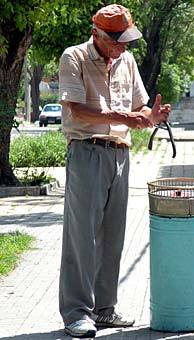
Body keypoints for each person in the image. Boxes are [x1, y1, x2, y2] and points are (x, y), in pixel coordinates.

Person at [58, 4, 171, 338]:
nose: (123, 46)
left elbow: (138, 109)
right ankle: (76, 313)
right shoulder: (73, 57)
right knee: (81, 239)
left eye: (126, 39)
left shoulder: (127, 60)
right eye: (117, 40)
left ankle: (105, 309)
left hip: (120, 155)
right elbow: (77, 111)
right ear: (97, 34)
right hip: (86, 152)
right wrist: (126, 118)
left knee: (112, 236)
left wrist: (152, 116)